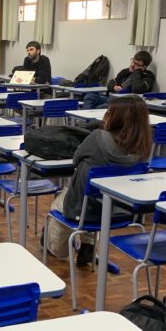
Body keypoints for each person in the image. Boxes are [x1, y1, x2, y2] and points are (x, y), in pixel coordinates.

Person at [45, 95, 153, 263]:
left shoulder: (98, 138)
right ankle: (88, 246)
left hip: (83, 210)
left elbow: (76, 160)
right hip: (120, 212)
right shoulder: (143, 147)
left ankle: (53, 246)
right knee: (90, 197)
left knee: (60, 204)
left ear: (115, 117)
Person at [84, 51, 156, 109]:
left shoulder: (148, 76)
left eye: (137, 64)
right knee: (89, 96)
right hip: (113, 98)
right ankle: (88, 118)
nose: (132, 65)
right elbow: (111, 82)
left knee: (100, 108)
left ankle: (91, 119)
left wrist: (137, 72)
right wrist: (113, 87)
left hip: (127, 103)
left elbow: (137, 88)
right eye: (133, 61)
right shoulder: (125, 71)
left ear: (144, 66)